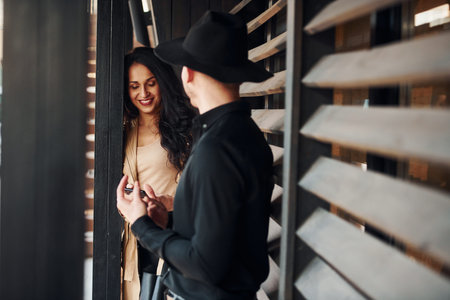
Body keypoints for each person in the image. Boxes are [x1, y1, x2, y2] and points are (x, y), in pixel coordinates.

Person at [117, 11, 274, 300]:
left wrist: (141, 225)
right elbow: (223, 235)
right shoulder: (238, 134)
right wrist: (171, 220)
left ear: (187, 74)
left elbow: (206, 264)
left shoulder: (218, 147)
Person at [120, 47, 195, 300]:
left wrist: (173, 205)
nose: (143, 93)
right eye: (134, 86)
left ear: (161, 82)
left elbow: (196, 187)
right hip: (137, 239)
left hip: (173, 232)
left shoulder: (183, 127)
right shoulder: (124, 132)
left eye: (151, 83)